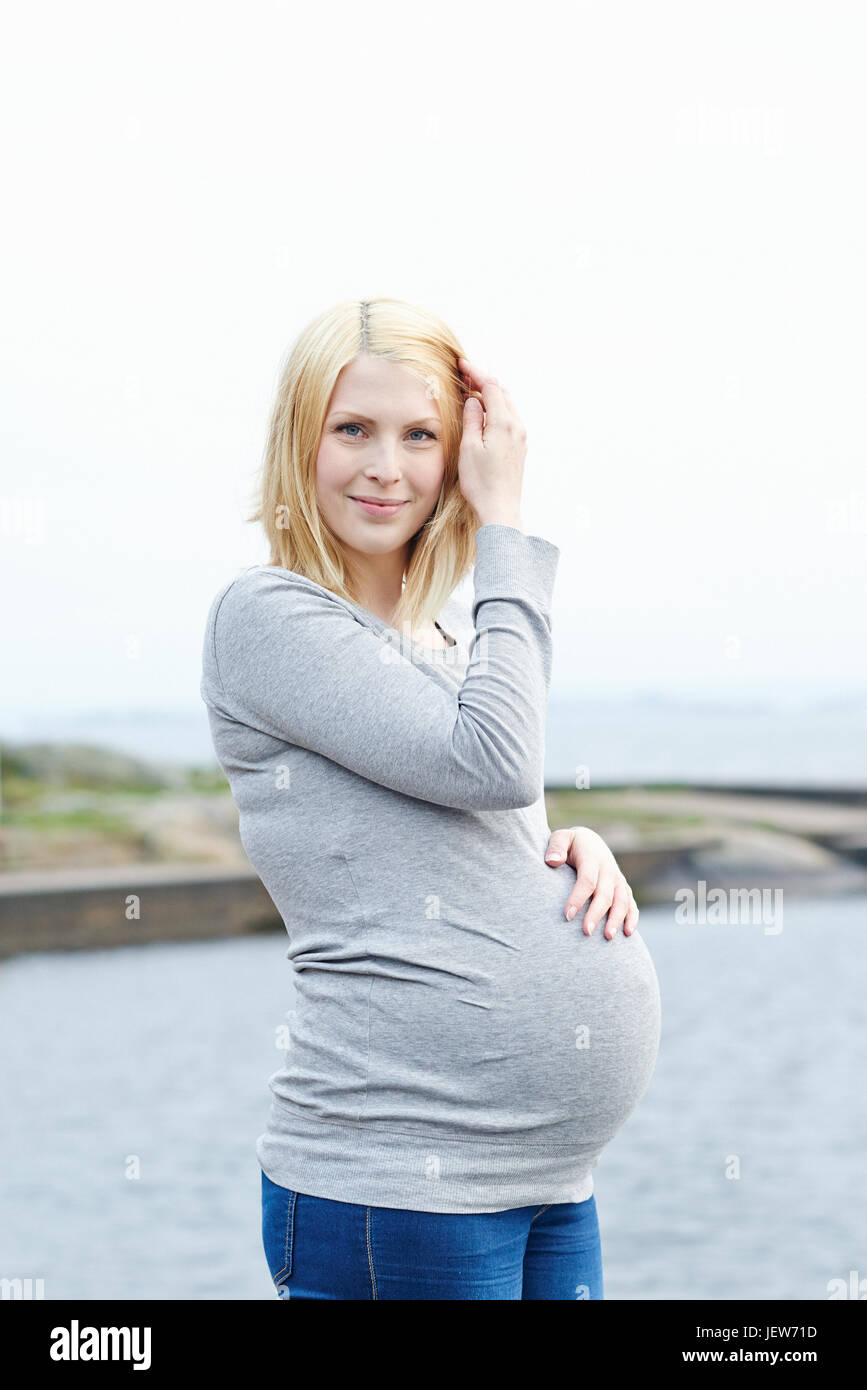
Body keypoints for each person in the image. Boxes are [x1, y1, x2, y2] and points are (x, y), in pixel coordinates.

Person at [200, 296, 661, 1300]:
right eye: (352, 429)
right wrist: (508, 521)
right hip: (399, 1184)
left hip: (543, 1179)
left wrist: (562, 847)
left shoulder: (452, 630)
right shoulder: (267, 616)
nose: (386, 466)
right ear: (299, 441)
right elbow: (493, 761)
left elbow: (490, 795)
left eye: (421, 435)